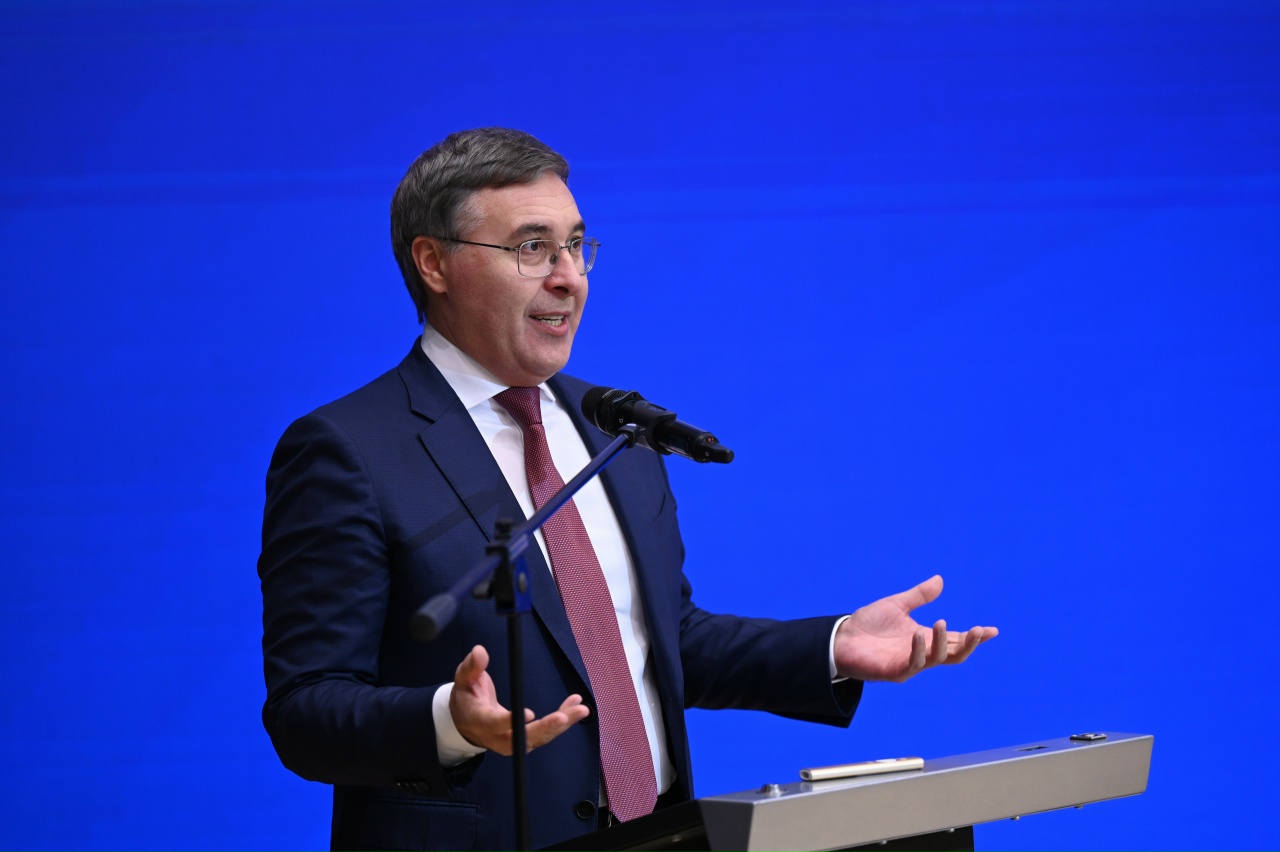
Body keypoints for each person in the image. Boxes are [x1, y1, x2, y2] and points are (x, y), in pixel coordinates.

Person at [258, 127, 997, 852]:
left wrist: (832, 646)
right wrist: (450, 722)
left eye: (576, 246)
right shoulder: (349, 450)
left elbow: (660, 642)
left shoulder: (615, 430)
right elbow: (306, 710)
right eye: (532, 248)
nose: (568, 277)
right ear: (434, 263)